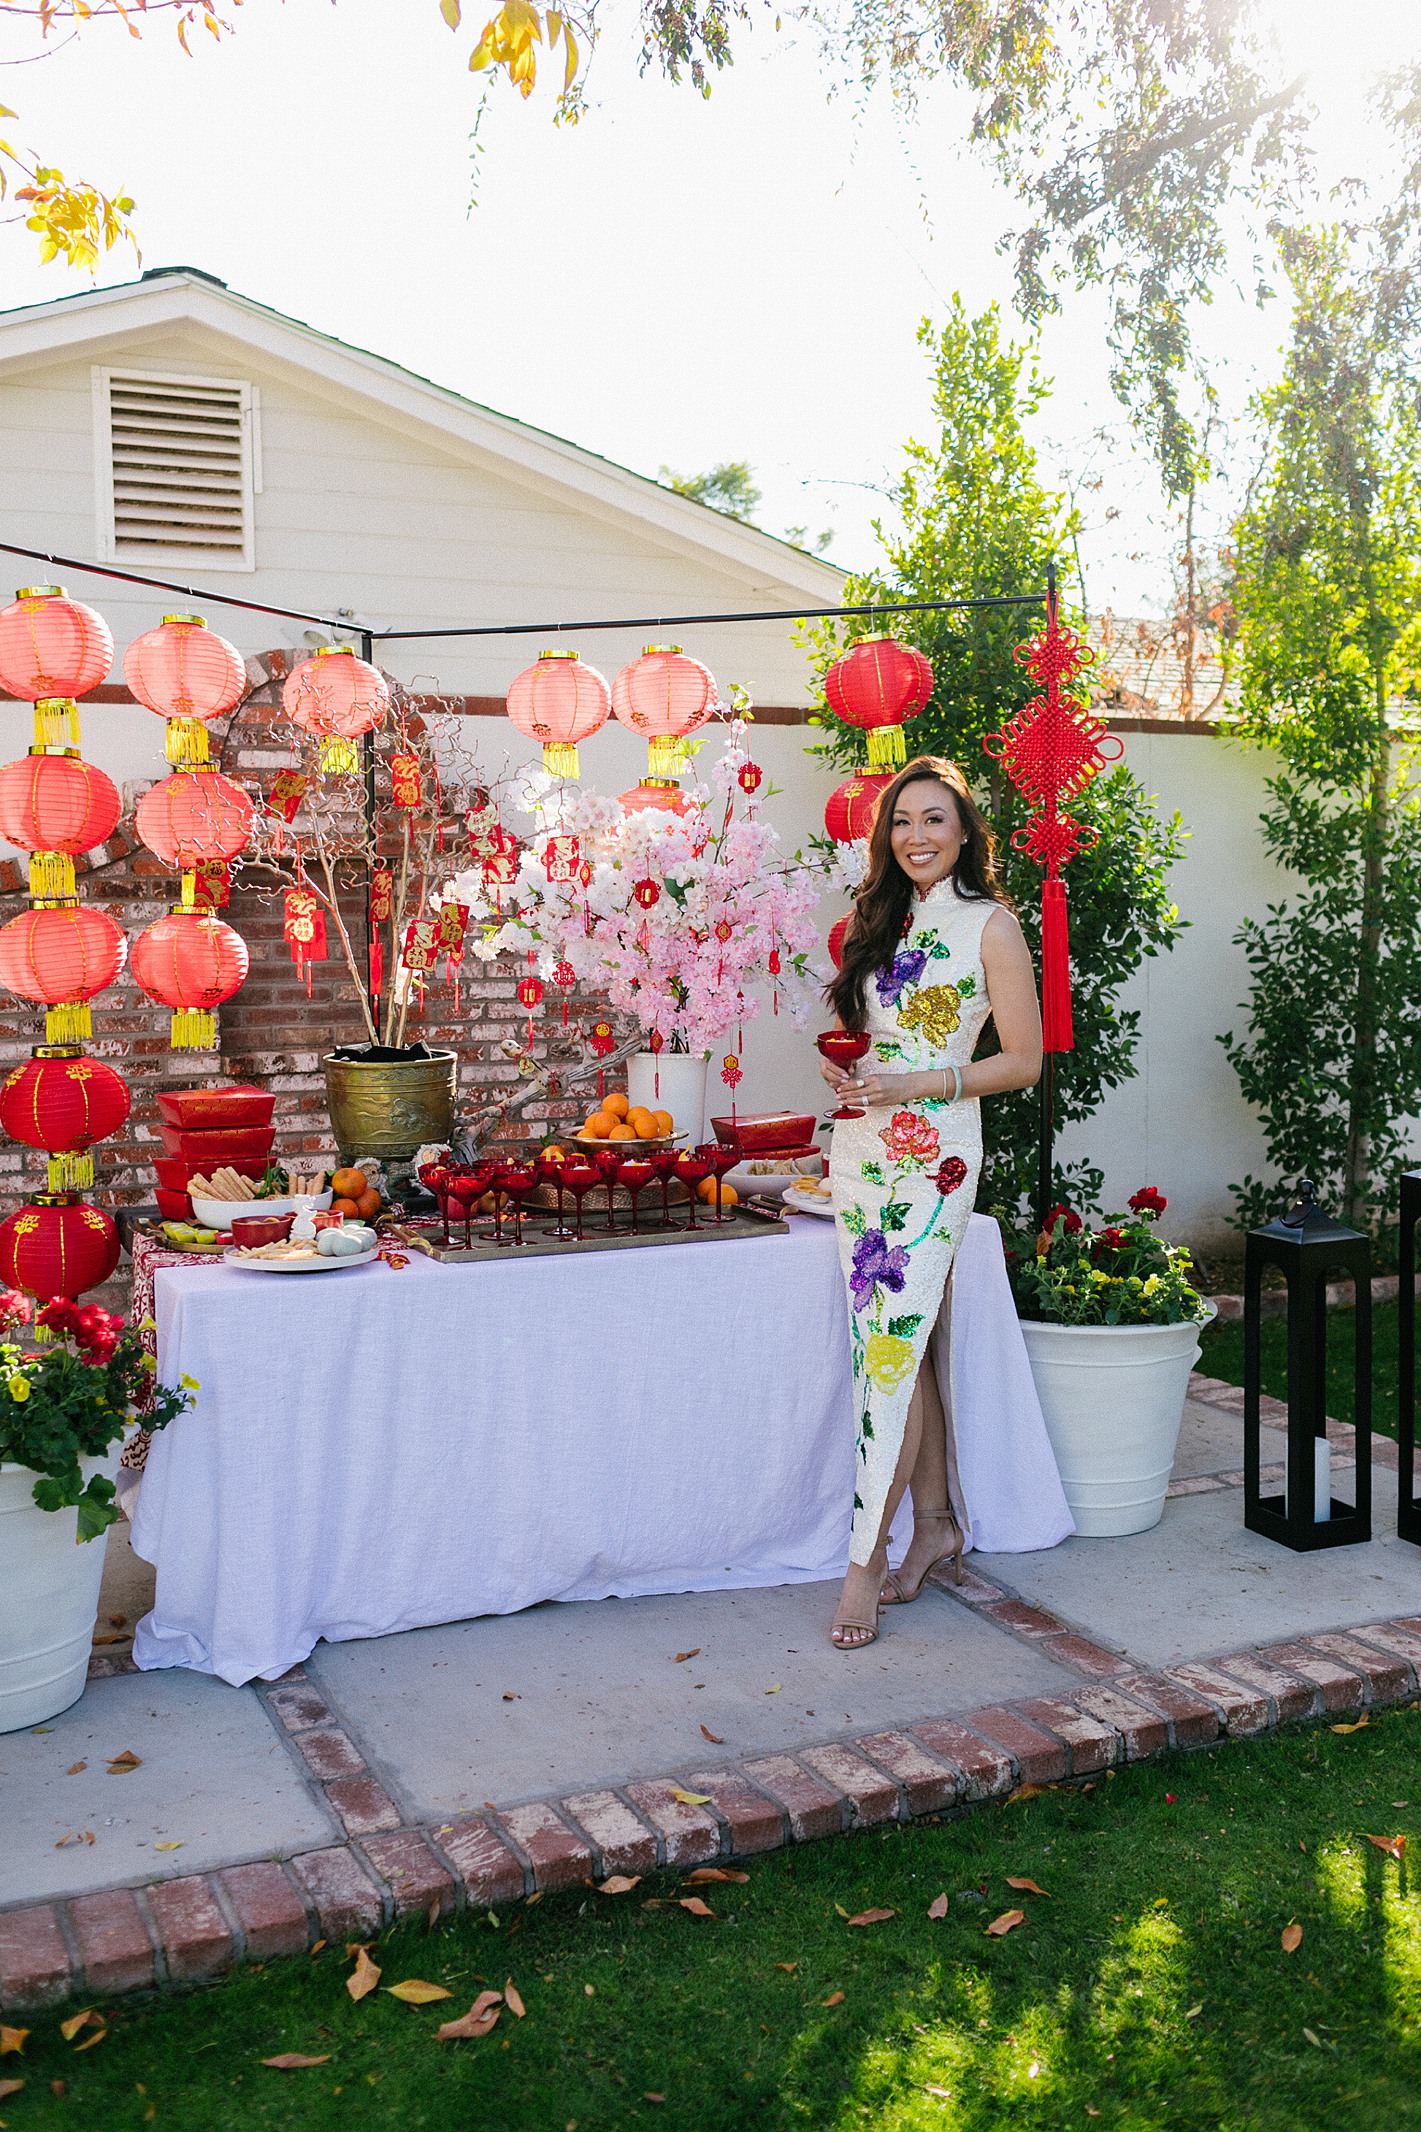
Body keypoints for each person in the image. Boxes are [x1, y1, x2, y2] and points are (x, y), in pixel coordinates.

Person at [819, 755, 1043, 1649]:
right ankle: (937, 1523)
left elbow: (1021, 1061)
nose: (916, 836)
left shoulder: (991, 925)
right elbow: (864, 1045)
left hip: (935, 1158)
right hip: (860, 1151)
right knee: (897, 1348)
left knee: (887, 1350)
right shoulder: (871, 922)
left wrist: (918, 1082)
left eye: (934, 821)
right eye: (902, 822)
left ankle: (863, 1562)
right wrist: (847, 1076)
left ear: (963, 833)